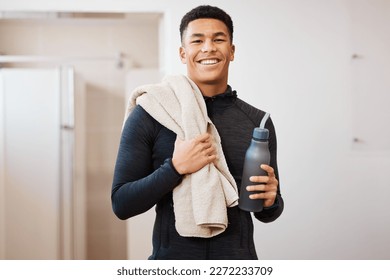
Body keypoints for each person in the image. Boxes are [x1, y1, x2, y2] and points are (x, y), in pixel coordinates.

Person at [111, 5, 284, 260]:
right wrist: (175, 168)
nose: (208, 48)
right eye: (197, 40)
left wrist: (271, 201)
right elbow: (121, 203)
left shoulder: (257, 123)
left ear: (232, 51)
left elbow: (267, 212)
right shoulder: (152, 112)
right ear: (183, 53)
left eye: (218, 39)